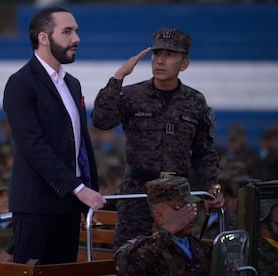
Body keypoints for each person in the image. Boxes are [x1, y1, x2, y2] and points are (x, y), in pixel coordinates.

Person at [91, 27, 222, 248]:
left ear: (184, 64)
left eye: (169, 55)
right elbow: (101, 121)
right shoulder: (132, 95)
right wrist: (118, 77)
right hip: (138, 194)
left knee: (178, 261)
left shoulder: (195, 101)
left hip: (177, 196)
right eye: (157, 54)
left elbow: (204, 152)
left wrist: (212, 186)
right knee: (131, 258)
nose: (160, 61)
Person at [2, 6, 106, 264]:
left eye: (77, 31)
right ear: (44, 38)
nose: (77, 39)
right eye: (67, 31)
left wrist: (86, 198)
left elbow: (81, 146)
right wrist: (78, 189)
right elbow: (32, 146)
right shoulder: (20, 83)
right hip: (35, 207)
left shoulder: (72, 83)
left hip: (70, 207)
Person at [115, 176, 211, 275]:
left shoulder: (199, 248)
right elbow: (126, 266)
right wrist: (168, 230)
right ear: (159, 216)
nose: (190, 213)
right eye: (180, 208)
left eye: (189, 204)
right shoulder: (146, 248)